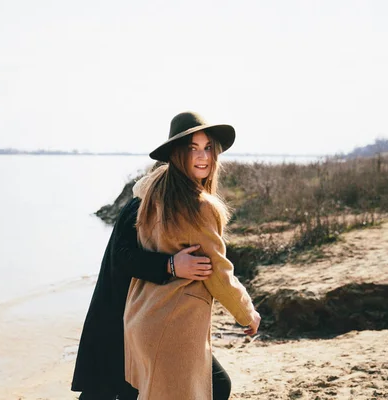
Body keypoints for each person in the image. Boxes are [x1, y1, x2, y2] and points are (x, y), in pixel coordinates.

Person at [124, 111, 261, 400]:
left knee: (215, 387)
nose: (203, 157)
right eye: (192, 149)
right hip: (172, 324)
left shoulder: (152, 192)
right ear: (176, 154)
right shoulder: (199, 206)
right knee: (215, 389)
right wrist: (246, 313)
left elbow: (140, 185)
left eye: (208, 148)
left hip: (142, 318)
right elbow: (219, 273)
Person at [71, 195, 234, 399]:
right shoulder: (143, 201)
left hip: (153, 322)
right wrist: (170, 265)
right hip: (121, 323)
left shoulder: (181, 204)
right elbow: (122, 256)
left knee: (217, 385)